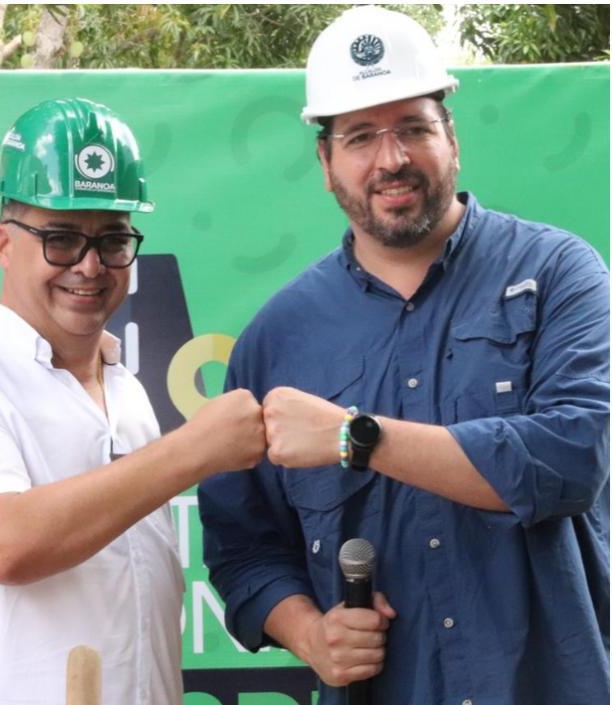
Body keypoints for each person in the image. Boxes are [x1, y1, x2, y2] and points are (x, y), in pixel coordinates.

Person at [198, 7, 609, 705]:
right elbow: (243, 547)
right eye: (360, 137)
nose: (391, 159)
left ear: (451, 139)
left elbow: (573, 457)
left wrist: (353, 437)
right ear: (326, 163)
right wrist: (306, 631)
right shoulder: (278, 337)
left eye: (413, 128)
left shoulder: (559, 273)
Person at [0, 98, 268, 705]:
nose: (90, 266)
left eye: (113, 240)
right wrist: (193, 451)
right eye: (61, 238)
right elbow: (5, 544)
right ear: (3, 244)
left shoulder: (129, 392)